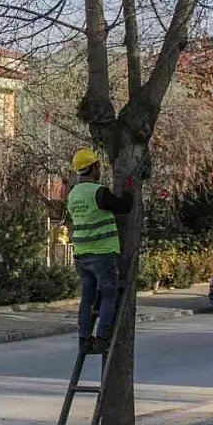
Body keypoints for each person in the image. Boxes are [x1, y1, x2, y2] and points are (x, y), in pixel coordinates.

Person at [66, 147, 134, 355]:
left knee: (87, 298)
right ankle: (102, 339)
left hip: (81, 255)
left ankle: (84, 339)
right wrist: (130, 190)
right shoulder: (98, 192)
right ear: (94, 167)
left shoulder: (73, 194)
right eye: (98, 166)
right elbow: (123, 206)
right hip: (103, 253)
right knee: (108, 296)